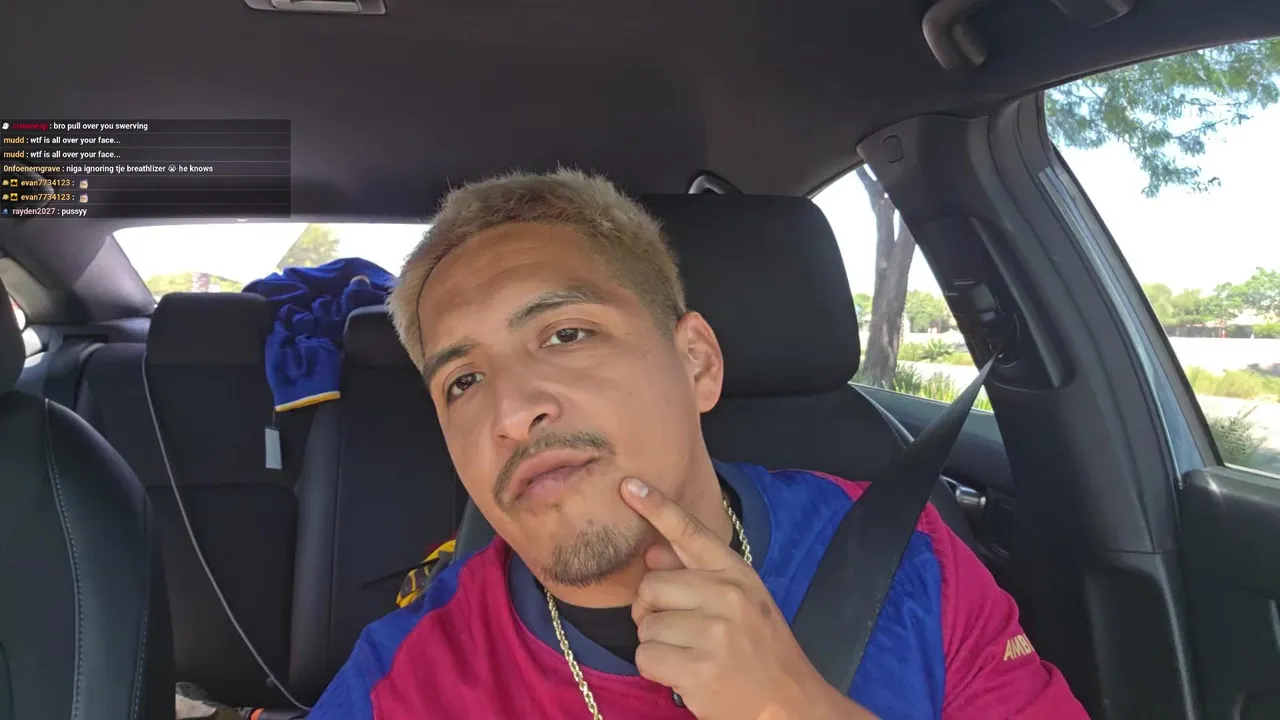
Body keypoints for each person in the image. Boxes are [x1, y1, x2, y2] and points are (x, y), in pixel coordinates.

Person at [308, 170, 1087, 719]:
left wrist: (792, 708)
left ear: (697, 363)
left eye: (566, 334)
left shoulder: (908, 561)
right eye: (463, 382)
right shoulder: (402, 679)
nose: (510, 413)